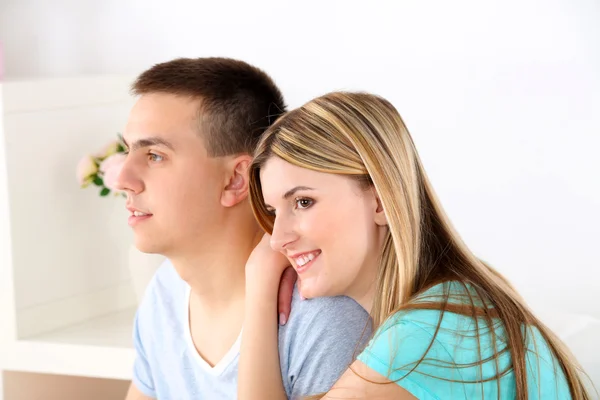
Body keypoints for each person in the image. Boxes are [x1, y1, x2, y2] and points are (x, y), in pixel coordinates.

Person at [238, 91, 593, 399]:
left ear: (379, 202)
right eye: (272, 211)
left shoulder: (428, 336)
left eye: (302, 202)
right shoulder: (456, 306)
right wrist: (259, 278)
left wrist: (258, 286)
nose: (278, 238)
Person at [116, 58, 370, 400]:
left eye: (155, 156)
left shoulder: (322, 320)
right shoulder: (164, 294)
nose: (122, 179)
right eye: (127, 150)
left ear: (235, 179)